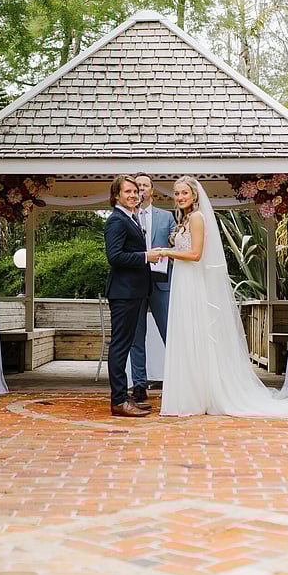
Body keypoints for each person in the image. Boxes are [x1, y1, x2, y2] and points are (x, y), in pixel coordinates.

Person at [155, 176, 288, 418]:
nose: (180, 197)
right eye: (177, 193)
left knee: (196, 334)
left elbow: (196, 254)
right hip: (183, 280)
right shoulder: (185, 219)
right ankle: (192, 394)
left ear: (194, 195)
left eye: (184, 193)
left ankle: (199, 396)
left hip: (192, 281)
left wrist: (166, 252)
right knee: (188, 335)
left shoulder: (197, 218)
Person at [103, 175, 163, 417]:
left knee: (125, 344)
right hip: (123, 293)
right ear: (116, 195)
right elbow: (114, 256)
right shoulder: (116, 221)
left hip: (134, 292)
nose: (133, 195)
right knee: (120, 346)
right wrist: (146, 256)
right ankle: (118, 401)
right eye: (127, 191)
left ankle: (123, 397)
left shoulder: (131, 217)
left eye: (135, 191)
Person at [129, 173, 176, 405]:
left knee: (171, 333)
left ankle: (179, 382)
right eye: (137, 185)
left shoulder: (166, 217)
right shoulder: (127, 217)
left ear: (152, 190)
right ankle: (139, 385)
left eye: (145, 185)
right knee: (136, 336)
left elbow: (178, 246)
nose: (141, 189)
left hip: (161, 281)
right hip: (135, 282)